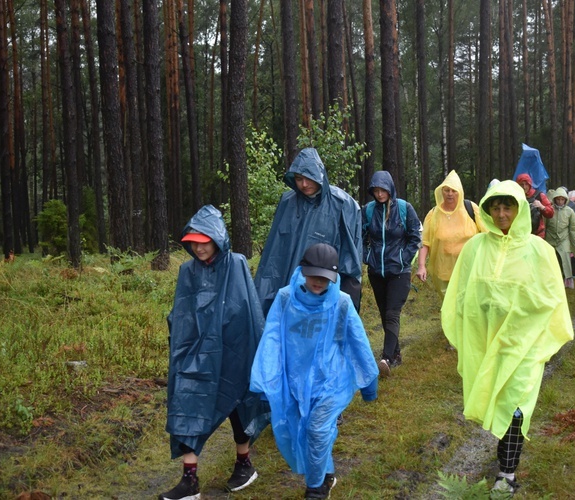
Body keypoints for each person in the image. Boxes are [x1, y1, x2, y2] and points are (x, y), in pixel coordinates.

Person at [441, 180, 574, 496]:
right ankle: (505, 462)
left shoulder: (539, 251)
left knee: (516, 405)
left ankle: (507, 472)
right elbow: (462, 294)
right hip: (486, 341)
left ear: (519, 209)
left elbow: (552, 298)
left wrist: (536, 332)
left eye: (508, 207)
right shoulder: (475, 248)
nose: (501, 214)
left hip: (522, 344)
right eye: (496, 207)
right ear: (487, 210)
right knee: (495, 399)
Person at [250, 243, 379, 499]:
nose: (318, 281)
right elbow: (272, 338)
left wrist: (368, 383)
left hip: (331, 380)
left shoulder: (341, 303)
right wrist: (267, 382)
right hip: (294, 380)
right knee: (302, 429)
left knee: (317, 429)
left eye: (324, 277)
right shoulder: (286, 298)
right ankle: (326, 475)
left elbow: (357, 340)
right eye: (313, 275)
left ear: (333, 278)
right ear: (302, 271)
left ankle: (315, 488)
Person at [161, 205, 270, 500]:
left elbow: (246, 310)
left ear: (217, 239)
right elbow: (182, 312)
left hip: (233, 349)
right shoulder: (187, 270)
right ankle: (189, 480)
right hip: (196, 351)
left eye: (204, 241)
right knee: (186, 403)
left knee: (236, 401)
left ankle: (244, 463)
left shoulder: (236, 264)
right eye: (193, 242)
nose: (198, 248)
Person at [255, 148, 363, 315]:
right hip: (289, 289)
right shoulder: (288, 202)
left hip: (324, 290)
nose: (304, 184)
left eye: (309, 178)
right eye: (299, 179)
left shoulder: (342, 204)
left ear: (319, 175)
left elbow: (351, 259)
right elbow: (273, 254)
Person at [362, 171, 421, 377]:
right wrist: (367, 256)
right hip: (376, 272)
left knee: (392, 313)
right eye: (376, 191)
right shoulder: (368, 211)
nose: (379, 194)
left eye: (383, 190)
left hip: (399, 272)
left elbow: (416, 237)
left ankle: (385, 358)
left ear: (390, 189)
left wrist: (404, 258)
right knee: (383, 312)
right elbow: (360, 236)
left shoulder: (405, 209)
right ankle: (395, 355)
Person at [416, 170, 485, 299]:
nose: (450, 194)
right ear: (441, 191)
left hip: (469, 269)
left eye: (454, 191)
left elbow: (486, 234)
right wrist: (421, 266)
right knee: (449, 307)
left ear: (460, 192)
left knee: (468, 305)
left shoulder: (471, 209)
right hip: (443, 272)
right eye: (447, 190)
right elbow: (425, 242)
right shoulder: (433, 214)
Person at [544, 187, 575, 288]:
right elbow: (544, 227)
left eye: (562, 199)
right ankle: (550, 283)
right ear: (554, 199)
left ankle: (564, 283)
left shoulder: (570, 212)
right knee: (550, 263)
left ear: (565, 199)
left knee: (564, 262)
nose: (560, 201)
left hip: (564, 240)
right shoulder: (550, 210)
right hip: (550, 240)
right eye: (558, 199)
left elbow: (574, 230)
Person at [515, 173, 554, 238]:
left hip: (538, 234)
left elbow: (551, 213)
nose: (524, 187)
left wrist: (542, 207)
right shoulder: (515, 196)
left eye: (526, 184)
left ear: (530, 184)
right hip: (520, 234)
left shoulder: (539, 195)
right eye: (522, 184)